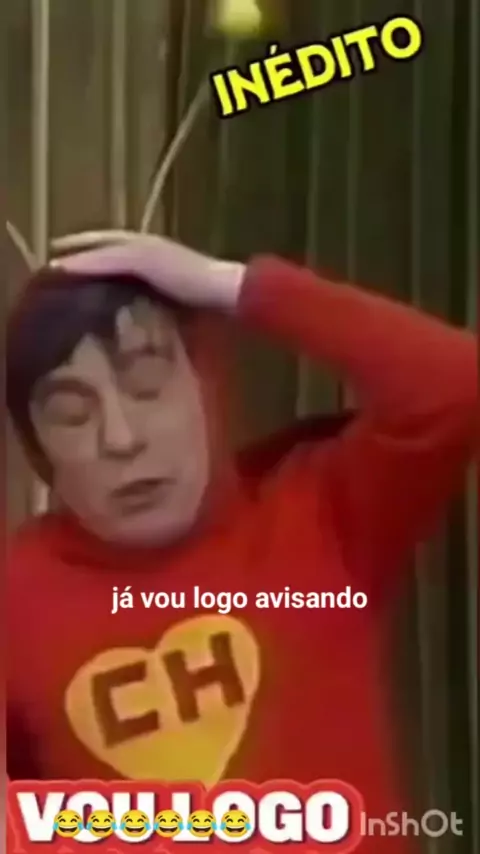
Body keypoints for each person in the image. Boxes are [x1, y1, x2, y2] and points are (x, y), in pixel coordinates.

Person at [6, 234, 477, 853]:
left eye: (146, 384)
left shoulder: (320, 512)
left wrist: (231, 285)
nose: (120, 438)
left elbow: (456, 384)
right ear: (40, 453)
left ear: (207, 386)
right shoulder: (17, 597)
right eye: (71, 414)